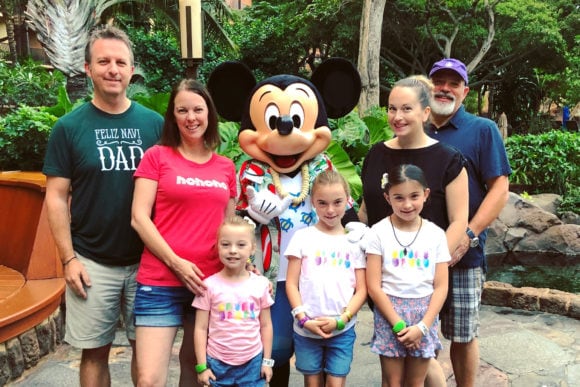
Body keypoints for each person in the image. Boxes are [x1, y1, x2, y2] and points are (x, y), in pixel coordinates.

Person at [42, 25, 164, 386]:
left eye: (120, 62)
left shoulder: (153, 124)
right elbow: (56, 196)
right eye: (104, 61)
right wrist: (68, 259)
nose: (113, 69)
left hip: (148, 261)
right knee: (94, 352)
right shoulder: (68, 127)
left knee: (147, 353)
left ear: (131, 69)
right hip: (92, 261)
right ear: (88, 68)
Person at [130, 79, 237, 386]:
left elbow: (228, 227)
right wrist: (176, 262)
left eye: (198, 109)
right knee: (148, 379)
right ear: (173, 116)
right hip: (159, 281)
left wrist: (242, 265)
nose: (191, 117)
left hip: (207, 283)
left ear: (209, 114)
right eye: (183, 110)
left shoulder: (225, 167)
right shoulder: (157, 156)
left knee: (196, 370)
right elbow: (139, 218)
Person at [427, 58, 511, 387]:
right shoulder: (416, 129)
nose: (445, 89)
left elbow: (500, 190)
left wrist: (469, 235)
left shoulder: (482, 130)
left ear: (465, 91)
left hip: (463, 257)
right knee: (420, 334)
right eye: (439, 82)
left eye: (453, 83)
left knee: (462, 335)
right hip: (416, 258)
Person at [365, 164, 450, 387]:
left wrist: (423, 326)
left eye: (414, 196)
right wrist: (398, 325)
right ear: (387, 197)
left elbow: (441, 286)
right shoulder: (378, 233)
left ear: (426, 194)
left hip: (425, 313)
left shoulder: (436, 235)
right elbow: (374, 286)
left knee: (416, 382)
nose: (407, 204)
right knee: (392, 382)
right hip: (389, 313)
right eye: (399, 197)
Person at [285, 170, 367, 387]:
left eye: (337, 202)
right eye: (322, 203)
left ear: (348, 200)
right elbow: (292, 284)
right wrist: (303, 319)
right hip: (306, 328)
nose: (330, 210)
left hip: (342, 328)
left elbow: (362, 289)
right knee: (312, 383)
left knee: (335, 383)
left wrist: (342, 319)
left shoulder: (355, 242)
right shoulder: (302, 237)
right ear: (313, 202)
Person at [192, 216, 274, 387]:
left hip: (253, 362)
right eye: (226, 244)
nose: (233, 250)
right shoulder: (208, 286)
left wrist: (267, 361)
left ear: (253, 249)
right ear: (217, 247)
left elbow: (266, 325)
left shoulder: (261, 284)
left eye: (241, 245)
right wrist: (201, 367)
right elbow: (200, 328)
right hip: (217, 363)